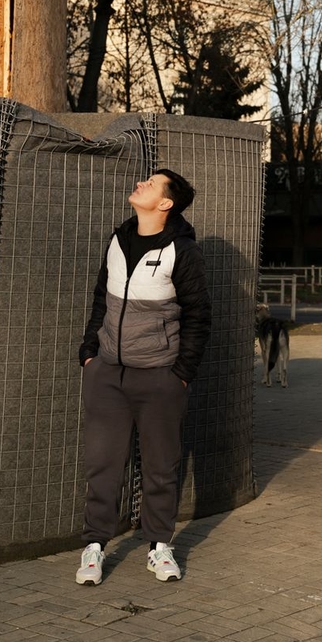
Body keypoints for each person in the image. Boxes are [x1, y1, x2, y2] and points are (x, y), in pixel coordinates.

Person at [76, 168, 211, 585]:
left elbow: (198, 315)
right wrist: (90, 353)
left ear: (165, 203)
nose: (140, 184)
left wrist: (181, 374)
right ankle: (95, 547)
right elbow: (102, 297)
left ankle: (158, 546)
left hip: (159, 378)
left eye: (151, 184)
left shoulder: (181, 251)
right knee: (103, 464)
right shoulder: (118, 241)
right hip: (107, 374)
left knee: (160, 467)